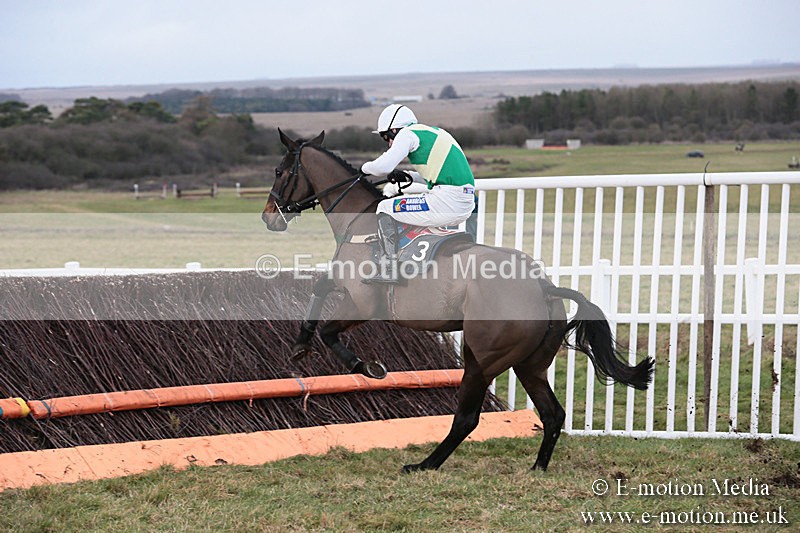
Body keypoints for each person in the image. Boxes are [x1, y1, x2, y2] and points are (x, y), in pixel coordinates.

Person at [361, 104, 476, 284]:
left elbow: (382, 167)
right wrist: (409, 176)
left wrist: (363, 168)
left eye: (386, 137)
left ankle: (390, 269)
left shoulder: (407, 134)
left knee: (384, 207)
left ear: (394, 129)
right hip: (465, 201)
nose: (389, 143)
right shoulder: (435, 132)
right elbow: (439, 174)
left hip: (446, 201)